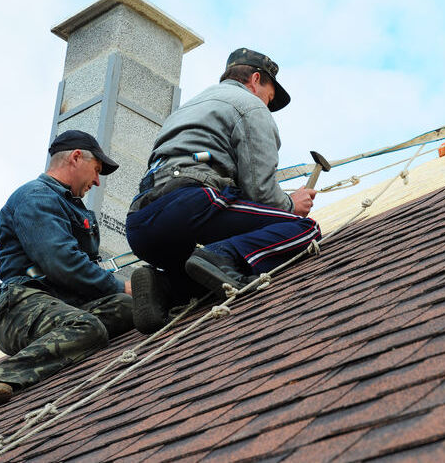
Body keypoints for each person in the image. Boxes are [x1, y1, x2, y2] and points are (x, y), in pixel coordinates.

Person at [126, 48, 321, 334]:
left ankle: (165, 287)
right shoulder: (250, 106)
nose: (267, 105)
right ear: (256, 80)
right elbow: (261, 192)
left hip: (141, 225)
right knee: (303, 230)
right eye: (269, 97)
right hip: (190, 203)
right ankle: (220, 254)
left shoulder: (187, 110)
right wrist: (291, 205)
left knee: (205, 278)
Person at [0, 130, 134, 415]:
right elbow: (61, 261)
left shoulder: (72, 207)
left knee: (128, 307)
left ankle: (65, 343)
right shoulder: (35, 197)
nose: (98, 181)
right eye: (97, 170)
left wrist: (126, 294)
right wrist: (119, 285)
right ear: (76, 157)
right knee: (88, 327)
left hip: (63, 305)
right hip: (21, 308)